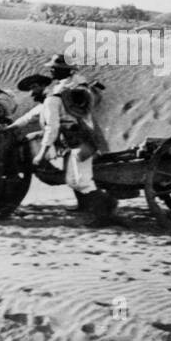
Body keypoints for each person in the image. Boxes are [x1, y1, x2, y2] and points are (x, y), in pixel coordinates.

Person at [37, 55, 112, 225]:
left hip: (82, 140)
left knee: (81, 180)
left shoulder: (67, 91)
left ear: (65, 70)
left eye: (54, 68)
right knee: (72, 179)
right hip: (76, 140)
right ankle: (100, 208)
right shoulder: (69, 88)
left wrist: (42, 152)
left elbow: (53, 127)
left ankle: (104, 213)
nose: (51, 70)